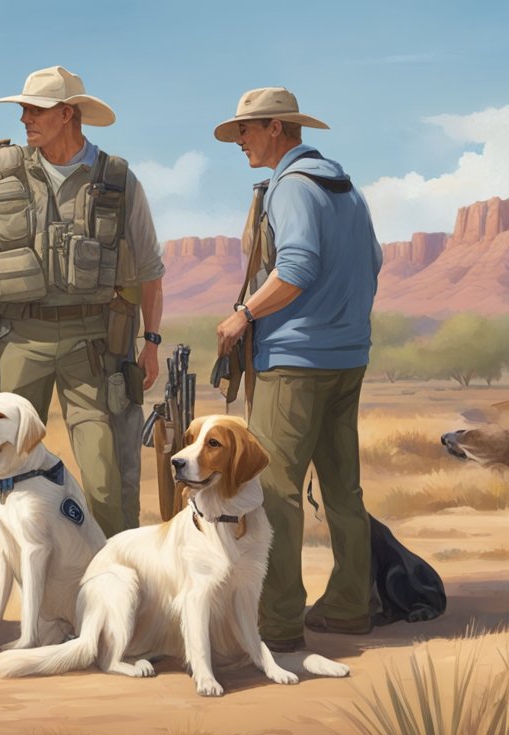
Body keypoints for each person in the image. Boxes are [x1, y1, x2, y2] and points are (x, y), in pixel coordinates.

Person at [0, 66, 165, 536]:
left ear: (68, 114)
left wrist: (152, 340)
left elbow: (150, 271)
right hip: (18, 338)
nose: (24, 118)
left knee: (103, 475)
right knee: (6, 470)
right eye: (23, 109)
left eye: (35, 110)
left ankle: (111, 582)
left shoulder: (117, 178)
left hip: (92, 343)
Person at [214, 87, 382, 651]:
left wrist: (244, 315)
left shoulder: (290, 188)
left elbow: (297, 266)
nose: (240, 141)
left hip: (293, 362)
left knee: (276, 490)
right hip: (348, 357)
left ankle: (279, 623)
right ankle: (351, 605)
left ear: (277, 129)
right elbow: (374, 262)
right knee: (343, 489)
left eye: (247, 130)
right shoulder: (345, 187)